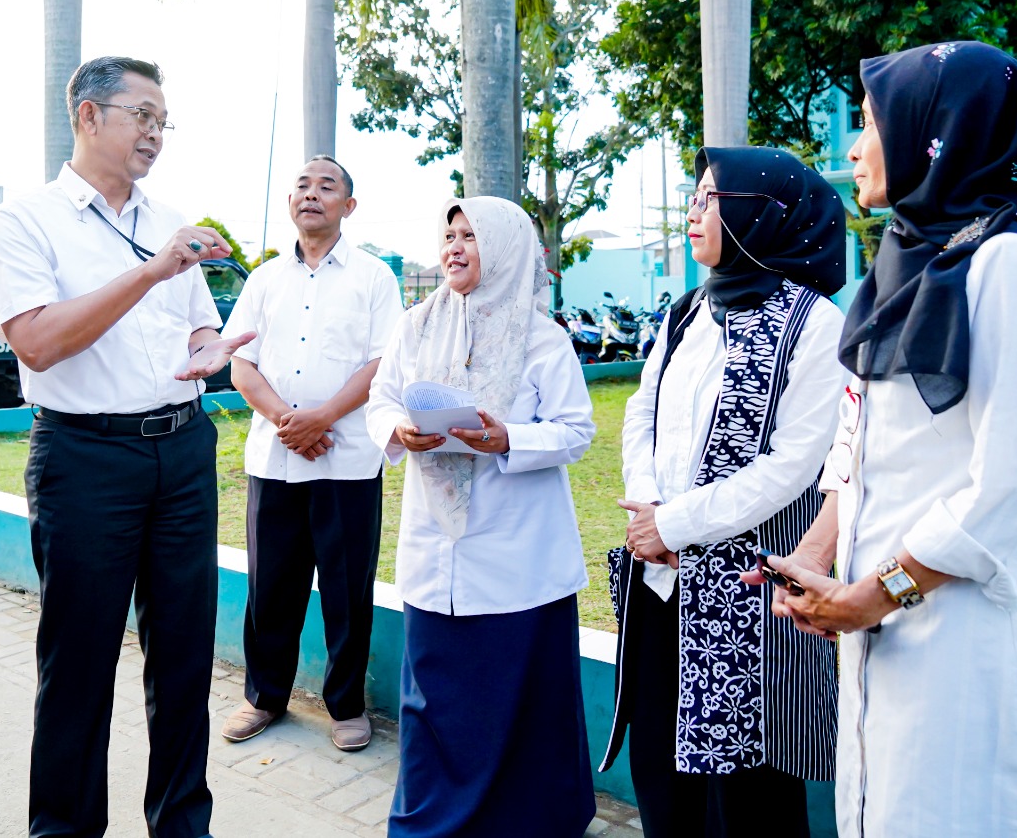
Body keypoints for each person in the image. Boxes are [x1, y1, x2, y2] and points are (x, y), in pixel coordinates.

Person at [751, 41, 1017, 837]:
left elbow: (1008, 484)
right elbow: (858, 445)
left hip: (970, 631)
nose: (854, 145)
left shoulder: (1011, 265)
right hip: (884, 618)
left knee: (967, 809)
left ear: (934, 132)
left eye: (870, 123)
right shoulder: (902, 266)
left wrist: (875, 595)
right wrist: (813, 557)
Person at [0, 56, 250, 838]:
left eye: (165, 122)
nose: (156, 135)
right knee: (79, 664)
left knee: (183, 655)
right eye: (144, 116)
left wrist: (212, 349)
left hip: (181, 449)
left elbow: (197, 318)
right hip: (85, 459)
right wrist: (155, 269)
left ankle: (182, 824)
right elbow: (37, 343)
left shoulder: (166, 219)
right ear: (89, 116)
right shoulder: (26, 221)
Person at [597, 148, 846, 837]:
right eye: (695, 198)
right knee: (660, 764)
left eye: (712, 198)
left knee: (747, 791)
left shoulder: (815, 324)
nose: (694, 212)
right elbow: (641, 418)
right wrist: (648, 513)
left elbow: (792, 464)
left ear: (763, 214)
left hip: (744, 594)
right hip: (660, 582)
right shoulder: (686, 313)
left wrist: (674, 525)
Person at [365, 197, 597, 838]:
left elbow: (576, 431)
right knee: (434, 700)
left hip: (517, 556)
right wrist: (399, 429)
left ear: (507, 249)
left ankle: (530, 822)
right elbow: (380, 399)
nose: (456, 248)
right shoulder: (415, 325)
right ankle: (433, 823)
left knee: (518, 701)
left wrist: (509, 441)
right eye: (450, 235)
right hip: (434, 547)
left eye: (472, 236)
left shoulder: (542, 338)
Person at [218, 156, 403, 750]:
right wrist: (284, 419)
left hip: (346, 460)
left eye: (328, 187)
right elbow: (239, 361)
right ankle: (263, 698)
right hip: (274, 460)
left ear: (349, 206)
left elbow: (383, 363)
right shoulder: (264, 279)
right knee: (270, 588)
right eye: (303, 185)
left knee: (348, 590)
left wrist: (322, 417)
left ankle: (347, 707)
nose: (312, 194)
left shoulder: (375, 277)